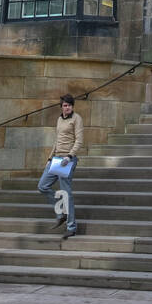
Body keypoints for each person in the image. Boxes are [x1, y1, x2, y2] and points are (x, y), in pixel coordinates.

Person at [38, 94, 84, 238]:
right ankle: (61, 211)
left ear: (72, 106)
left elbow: (79, 140)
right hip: (56, 159)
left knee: (66, 192)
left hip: (67, 159)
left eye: (69, 105)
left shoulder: (77, 119)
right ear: (61, 107)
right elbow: (57, 141)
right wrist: (50, 158)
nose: (67, 107)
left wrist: (69, 156)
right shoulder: (59, 119)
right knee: (42, 186)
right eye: (65, 105)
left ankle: (71, 227)